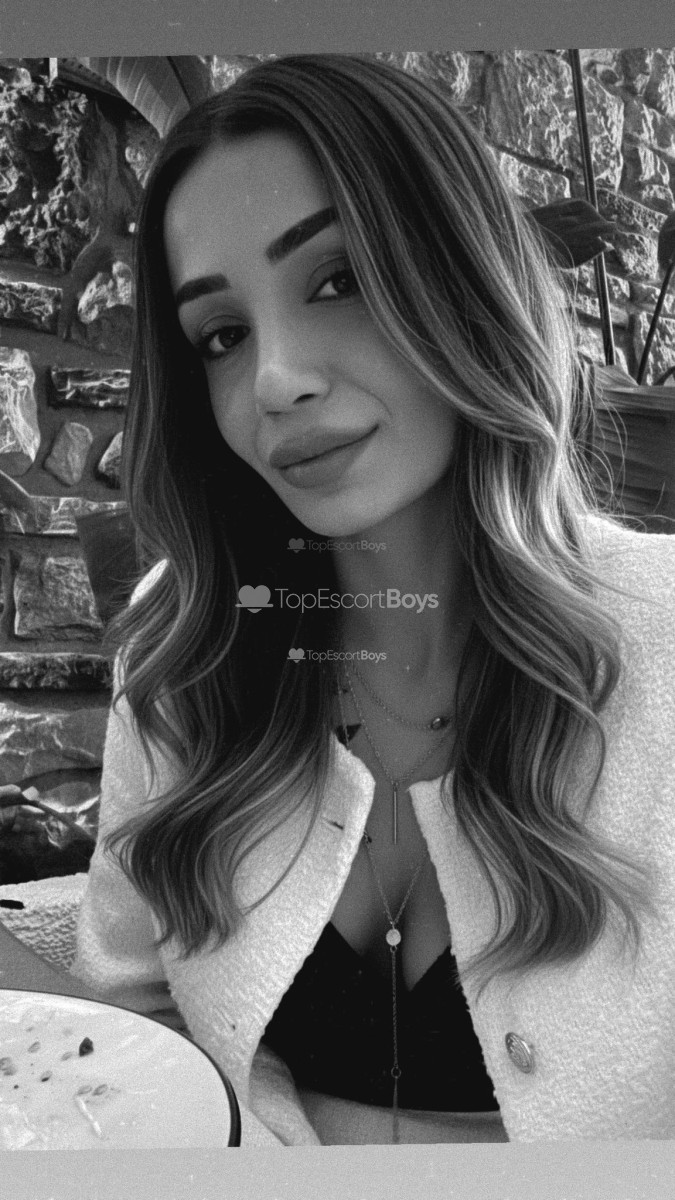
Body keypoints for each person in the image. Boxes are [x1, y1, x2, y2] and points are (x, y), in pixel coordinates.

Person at [71, 53, 675, 1145]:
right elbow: (129, 1027)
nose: (274, 381)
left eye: (337, 278)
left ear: (465, 276)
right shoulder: (184, 657)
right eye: (221, 335)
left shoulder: (660, 639)